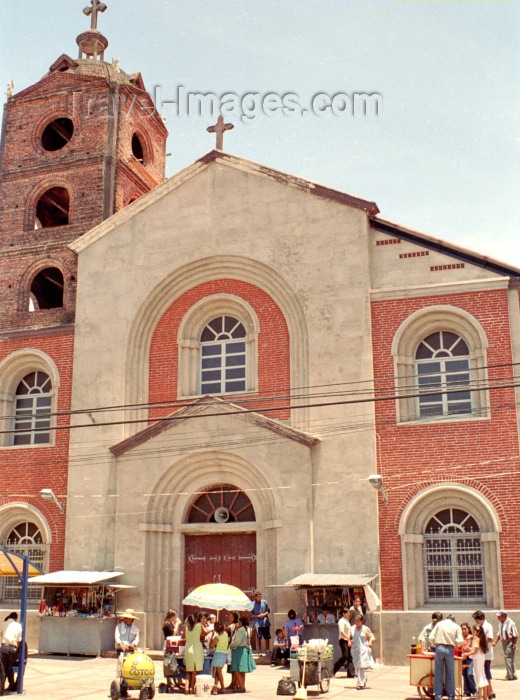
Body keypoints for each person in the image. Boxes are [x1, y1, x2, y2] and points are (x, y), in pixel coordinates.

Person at [428, 613, 463, 700]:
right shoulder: (456, 626)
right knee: (450, 673)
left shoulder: (439, 624)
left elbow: (431, 637)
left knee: (438, 672)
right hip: (449, 649)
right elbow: (460, 640)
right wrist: (455, 645)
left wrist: (434, 645)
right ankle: (451, 696)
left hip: (439, 648)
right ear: (454, 620)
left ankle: (438, 696)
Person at [230, 615, 256, 693]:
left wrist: (231, 645)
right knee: (242, 670)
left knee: (237, 669)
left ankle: (241, 687)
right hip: (246, 649)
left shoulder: (241, 630)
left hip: (239, 650)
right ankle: (242, 686)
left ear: (241, 622)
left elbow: (237, 642)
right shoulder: (248, 629)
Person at [348, 613, 375, 690]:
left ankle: (360, 683)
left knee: (361, 666)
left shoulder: (365, 628)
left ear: (362, 621)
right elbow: (349, 637)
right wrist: (349, 641)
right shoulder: (352, 628)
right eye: (355, 621)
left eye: (358, 621)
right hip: (355, 649)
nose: (357, 623)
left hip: (364, 649)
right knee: (357, 666)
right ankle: (363, 679)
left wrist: (370, 642)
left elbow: (372, 636)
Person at [473, 611, 495, 699]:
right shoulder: (481, 626)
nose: (476, 622)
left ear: (480, 619)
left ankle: (490, 691)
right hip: (482, 653)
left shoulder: (487, 626)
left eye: (476, 620)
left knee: (486, 671)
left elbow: (490, 638)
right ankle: (489, 691)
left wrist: (479, 639)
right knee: (483, 672)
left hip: (486, 652)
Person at [182, 613, 205, 694]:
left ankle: (186, 687)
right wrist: (212, 629)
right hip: (197, 648)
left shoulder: (185, 627)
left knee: (188, 670)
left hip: (188, 648)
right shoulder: (199, 626)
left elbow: (182, 637)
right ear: (195, 619)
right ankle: (191, 687)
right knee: (194, 669)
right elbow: (204, 633)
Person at [493, 610, 517, 681]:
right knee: (509, 658)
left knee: (508, 657)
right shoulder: (501, 623)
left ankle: (510, 675)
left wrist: (514, 644)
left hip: (509, 642)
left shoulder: (511, 623)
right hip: (503, 642)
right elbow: (499, 633)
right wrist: (495, 642)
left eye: (499, 616)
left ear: (504, 616)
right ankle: (512, 674)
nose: (498, 618)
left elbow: (515, 635)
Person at [1, 612, 22, 693]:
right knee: (10, 668)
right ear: (16, 618)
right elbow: (19, 641)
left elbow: (1, 635)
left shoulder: (3, 624)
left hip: (4, 647)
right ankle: (12, 685)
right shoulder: (18, 625)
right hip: (13, 648)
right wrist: (16, 652)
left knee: (2, 669)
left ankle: (1, 688)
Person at [468, 625, 489, 700]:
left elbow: (475, 651)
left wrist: (466, 654)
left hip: (477, 659)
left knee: (478, 675)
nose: (472, 633)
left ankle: (480, 695)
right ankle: (485, 695)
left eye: (474, 631)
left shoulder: (476, 639)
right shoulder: (481, 639)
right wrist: (468, 649)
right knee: (482, 675)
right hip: (480, 658)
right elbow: (475, 649)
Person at [333, 606, 355, 678]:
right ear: (343, 613)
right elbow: (342, 632)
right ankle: (334, 669)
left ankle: (351, 673)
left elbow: (349, 630)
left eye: (349, 612)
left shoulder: (347, 621)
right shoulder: (341, 621)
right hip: (343, 640)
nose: (349, 613)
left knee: (350, 656)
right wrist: (348, 638)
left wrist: (351, 637)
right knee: (345, 656)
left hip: (348, 639)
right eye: (347, 612)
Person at [459, 622, 477, 698]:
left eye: (465, 629)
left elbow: (468, 647)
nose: (463, 631)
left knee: (470, 674)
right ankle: (467, 691)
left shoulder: (471, 637)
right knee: (464, 674)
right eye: (462, 629)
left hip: (470, 658)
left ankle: (474, 691)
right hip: (463, 658)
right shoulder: (460, 638)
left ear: (468, 629)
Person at [210, 621, 228, 695]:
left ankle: (223, 688)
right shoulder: (225, 634)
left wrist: (212, 636)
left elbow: (211, 645)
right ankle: (215, 687)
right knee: (217, 672)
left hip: (218, 654)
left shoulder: (217, 638)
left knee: (219, 672)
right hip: (224, 654)